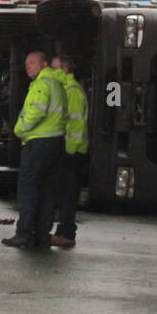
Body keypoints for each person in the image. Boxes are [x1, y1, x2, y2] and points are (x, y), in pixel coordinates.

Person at [2, 51, 67, 250]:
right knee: (47, 191)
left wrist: (19, 129)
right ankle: (42, 235)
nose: (27, 66)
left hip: (38, 143)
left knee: (28, 189)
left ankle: (24, 234)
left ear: (44, 64)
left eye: (32, 62)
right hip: (55, 143)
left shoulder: (41, 85)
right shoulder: (57, 84)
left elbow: (36, 111)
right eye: (26, 63)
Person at [49, 54, 87, 249]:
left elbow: (76, 124)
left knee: (67, 194)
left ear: (63, 71)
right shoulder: (67, 89)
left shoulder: (71, 91)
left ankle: (66, 233)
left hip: (71, 151)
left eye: (54, 69)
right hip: (69, 150)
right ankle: (63, 232)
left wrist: (68, 150)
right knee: (64, 193)